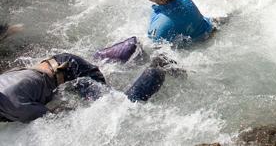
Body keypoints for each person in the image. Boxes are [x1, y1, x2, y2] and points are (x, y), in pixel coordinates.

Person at [0, 52, 178, 123]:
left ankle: (158, 66)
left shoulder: (15, 106)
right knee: (109, 95)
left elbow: (56, 119)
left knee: (120, 106)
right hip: (59, 66)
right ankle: (131, 56)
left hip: (72, 72)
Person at [147, 0, 214, 43]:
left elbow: (155, 45)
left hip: (200, 42)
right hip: (209, 26)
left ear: (162, 0)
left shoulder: (160, 26)